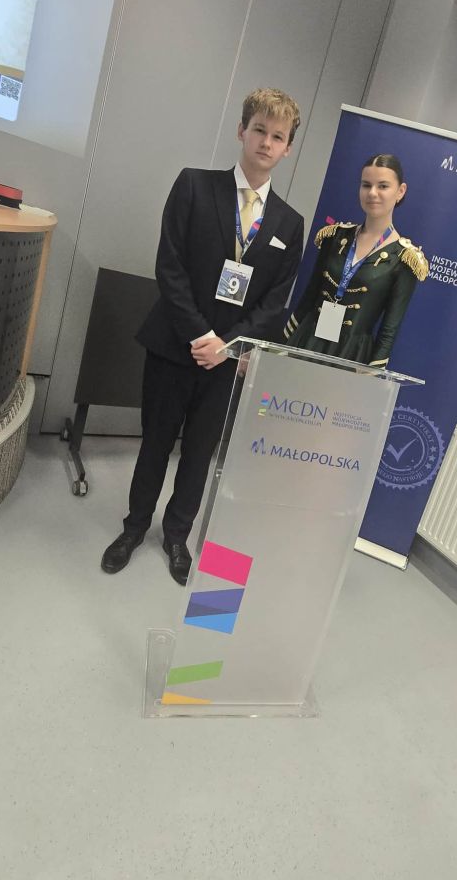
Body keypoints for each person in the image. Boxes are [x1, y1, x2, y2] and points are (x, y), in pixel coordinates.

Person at [101, 88, 304, 585]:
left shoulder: (289, 223)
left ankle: (177, 536)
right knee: (155, 444)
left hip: (226, 363)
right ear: (241, 131)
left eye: (278, 137)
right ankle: (133, 528)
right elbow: (169, 267)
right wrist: (202, 335)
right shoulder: (193, 185)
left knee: (198, 453)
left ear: (287, 148)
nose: (266, 142)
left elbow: (274, 302)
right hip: (175, 345)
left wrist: (227, 346)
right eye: (259, 130)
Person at [283, 154, 427, 368]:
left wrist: (370, 375)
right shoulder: (334, 237)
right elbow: (307, 298)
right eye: (366, 185)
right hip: (307, 340)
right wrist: (282, 346)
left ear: (400, 191)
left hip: (352, 355)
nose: (372, 193)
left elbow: (388, 331)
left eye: (383, 186)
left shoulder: (404, 258)